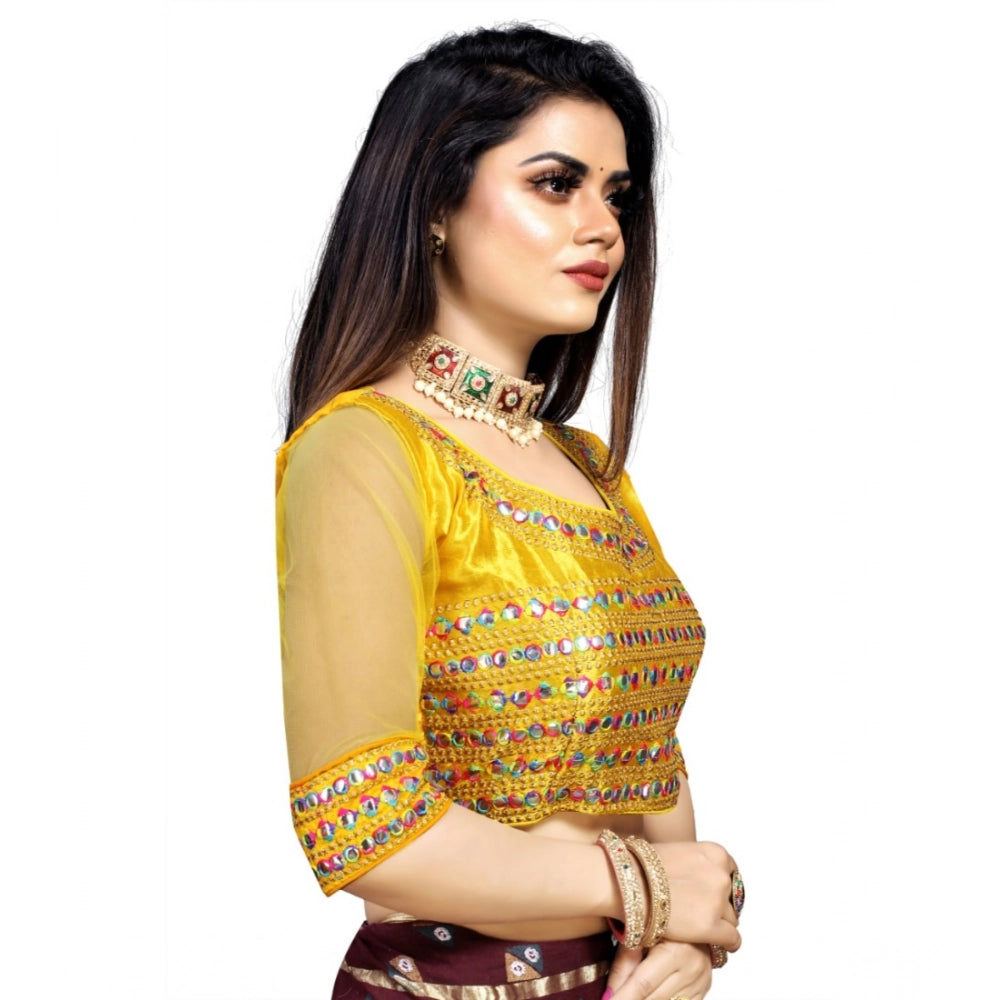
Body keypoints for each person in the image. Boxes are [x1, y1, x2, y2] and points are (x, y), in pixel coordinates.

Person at [276, 24, 743, 1000]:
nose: (604, 227)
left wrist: (686, 941)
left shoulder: (588, 466)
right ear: (435, 203)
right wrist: (651, 888)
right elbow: (366, 826)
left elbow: (645, 750)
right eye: (556, 183)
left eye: (617, 196)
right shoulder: (365, 448)